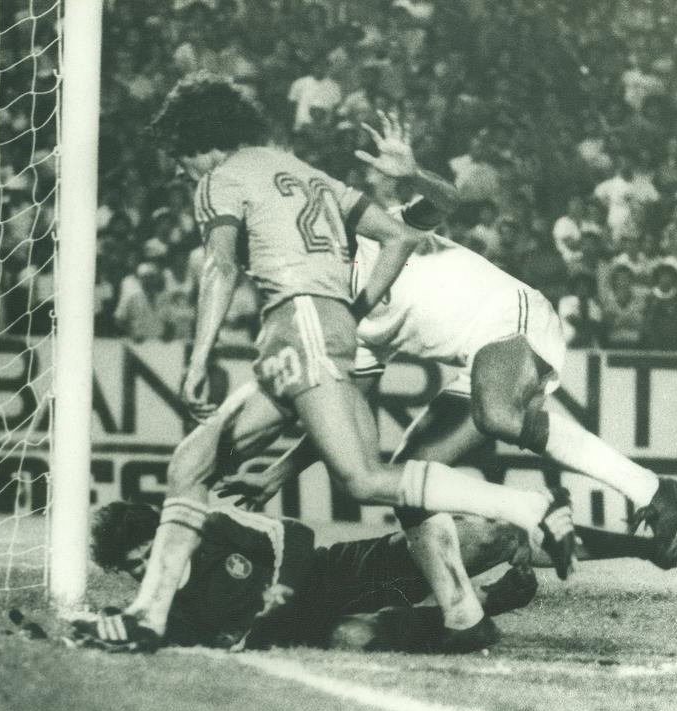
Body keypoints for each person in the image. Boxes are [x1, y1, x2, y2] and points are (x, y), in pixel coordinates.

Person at [126, 75, 558, 655]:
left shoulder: (219, 180)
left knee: (364, 478)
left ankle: (521, 507)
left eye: (178, 157)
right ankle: (146, 620)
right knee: (192, 462)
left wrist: (198, 357)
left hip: (300, 323)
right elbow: (403, 236)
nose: (180, 172)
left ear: (195, 139)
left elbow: (220, 268)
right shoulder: (308, 175)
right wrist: (355, 311)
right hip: (319, 328)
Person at [70, 500, 677, 653]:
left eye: (145, 555)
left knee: (490, 533)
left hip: (343, 570)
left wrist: (281, 580)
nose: (144, 570)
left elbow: (297, 534)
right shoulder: (162, 612)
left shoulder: (208, 530)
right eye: (130, 570)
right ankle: (491, 605)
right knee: (356, 640)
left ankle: (642, 549)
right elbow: (140, 633)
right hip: (320, 623)